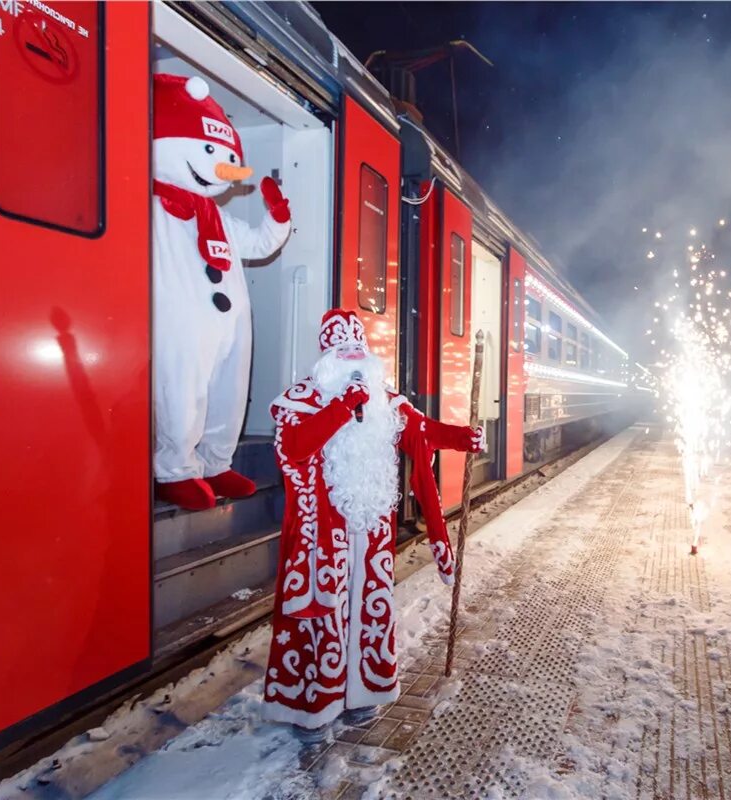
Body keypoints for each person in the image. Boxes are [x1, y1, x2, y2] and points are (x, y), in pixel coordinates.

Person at [262, 309, 484, 739]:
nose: (353, 360)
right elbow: (293, 448)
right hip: (321, 537)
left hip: (370, 529)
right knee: (323, 616)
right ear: (327, 358)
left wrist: (461, 437)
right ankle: (313, 706)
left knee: (369, 611)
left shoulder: (383, 399)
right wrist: (344, 408)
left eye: (358, 351)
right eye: (343, 352)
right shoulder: (301, 400)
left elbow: (419, 430)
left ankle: (361, 695)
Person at [152, 74, 293, 511]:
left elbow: (258, 245)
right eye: (211, 151)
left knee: (227, 390)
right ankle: (174, 469)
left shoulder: (215, 216)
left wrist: (278, 218)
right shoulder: (149, 206)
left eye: (228, 156)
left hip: (229, 323)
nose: (223, 167)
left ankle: (215, 462)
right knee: (181, 388)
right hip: (179, 318)